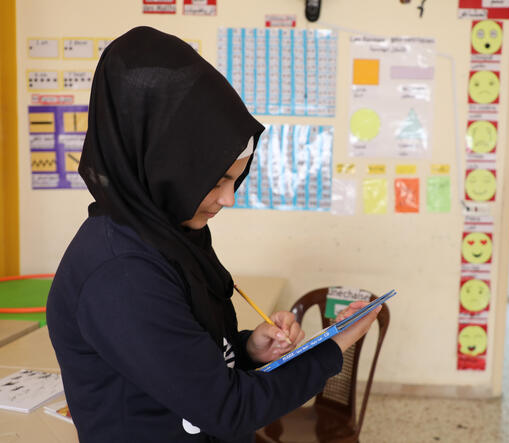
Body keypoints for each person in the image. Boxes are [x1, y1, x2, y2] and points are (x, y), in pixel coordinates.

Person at [46, 26, 380, 443]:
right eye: (217, 178)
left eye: (235, 179)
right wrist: (334, 347)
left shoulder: (168, 233)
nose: (228, 198)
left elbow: (185, 356)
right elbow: (229, 408)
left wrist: (247, 350)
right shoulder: (122, 275)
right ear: (163, 163)